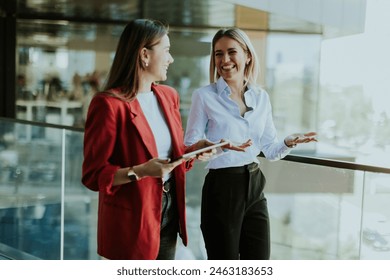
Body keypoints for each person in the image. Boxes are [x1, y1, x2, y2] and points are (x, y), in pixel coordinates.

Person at [82, 19, 214, 260]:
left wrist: (192, 150)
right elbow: (93, 175)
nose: (171, 59)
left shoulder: (169, 96)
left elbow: (170, 156)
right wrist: (140, 171)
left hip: (169, 213)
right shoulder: (108, 105)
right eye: (166, 51)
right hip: (132, 221)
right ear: (144, 54)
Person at [184, 27, 317, 260]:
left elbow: (270, 149)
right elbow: (190, 146)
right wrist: (217, 146)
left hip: (255, 184)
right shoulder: (204, 96)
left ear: (247, 56)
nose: (224, 60)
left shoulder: (261, 97)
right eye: (218, 53)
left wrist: (287, 142)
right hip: (222, 187)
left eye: (231, 52)